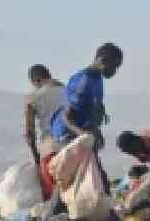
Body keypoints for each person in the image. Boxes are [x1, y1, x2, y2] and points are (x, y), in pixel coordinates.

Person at [50, 43, 123, 194]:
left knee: (93, 178)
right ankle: (52, 214)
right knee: (75, 180)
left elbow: (93, 108)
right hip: (68, 135)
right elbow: (66, 115)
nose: (115, 71)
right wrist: (82, 134)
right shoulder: (83, 80)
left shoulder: (98, 79)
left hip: (83, 134)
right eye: (114, 66)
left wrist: (96, 132)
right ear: (103, 60)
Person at [24, 64, 65, 199]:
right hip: (74, 146)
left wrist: (37, 158)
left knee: (52, 197)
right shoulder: (68, 90)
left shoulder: (32, 98)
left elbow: (30, 134)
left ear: (36, 81)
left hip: (50, 149)